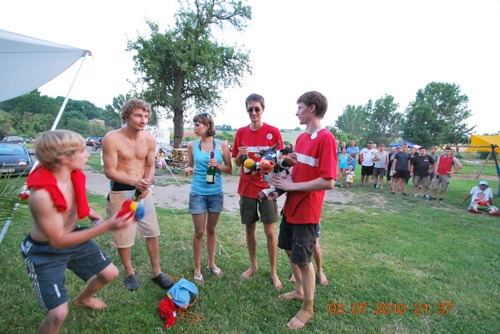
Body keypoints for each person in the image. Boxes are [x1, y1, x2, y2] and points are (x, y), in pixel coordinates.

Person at [21, 130, 134, 334]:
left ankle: (82, 299)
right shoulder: (42, 196)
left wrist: (89, 212)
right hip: (45, 252)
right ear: (64, 157)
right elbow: (58, 241)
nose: (87, 154)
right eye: (82, 150)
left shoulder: (72, 175)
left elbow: (71, 203)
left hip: (72, 234)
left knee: (110, 273)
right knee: (58, 314)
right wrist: (108, 226)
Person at [272, 91, 336, 330]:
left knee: (304, 259)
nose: (296, 112)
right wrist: (281, 179)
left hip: (308, 210)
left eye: (299, 108)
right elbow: (299, 171)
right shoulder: (301, 139)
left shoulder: (326, 138)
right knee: (289, 249)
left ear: (312, 108)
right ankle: (299, 290)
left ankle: (307, 308)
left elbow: (328, 180)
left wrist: (292, 185)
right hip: (292, 205)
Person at [102, 98, 174, 291]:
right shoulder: (112, 138)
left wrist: (146, 186)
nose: (143, 120)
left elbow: (150, 165)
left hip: (142, 192)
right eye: (138, 115)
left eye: (146, 116)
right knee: (123, 235)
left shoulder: (149, 138)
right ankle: (129, 272)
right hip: (120, 191)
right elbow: (109, 170)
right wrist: (134, 182)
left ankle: (157, 272)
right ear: (126, 116)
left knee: (152, 231)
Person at [232, 93, 284, 289]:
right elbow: (237, 163)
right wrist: (240, 155)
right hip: (246, 188)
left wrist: (267, 166)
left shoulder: (273, 132)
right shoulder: (241, 133)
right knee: (249, 228)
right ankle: (253, 266)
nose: (253, 112)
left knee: (270, 232)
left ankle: (273, 271)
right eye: (250, 109)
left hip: (266, 188)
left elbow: (279, 161)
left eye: (257, 109)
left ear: (263, 109)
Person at [184, 113, 232, 284]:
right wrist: (188, 169)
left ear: (207, 126)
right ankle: (197, 268)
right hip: (198, 192)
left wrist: (218, 166)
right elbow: (190, 166)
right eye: (194, 125)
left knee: (211, 229)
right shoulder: (192, 145)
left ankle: (211, 263)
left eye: (198, 125)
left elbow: (229, 169)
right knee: (199, 231)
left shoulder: (222, 145)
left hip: (215, 193)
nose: (195, 128)